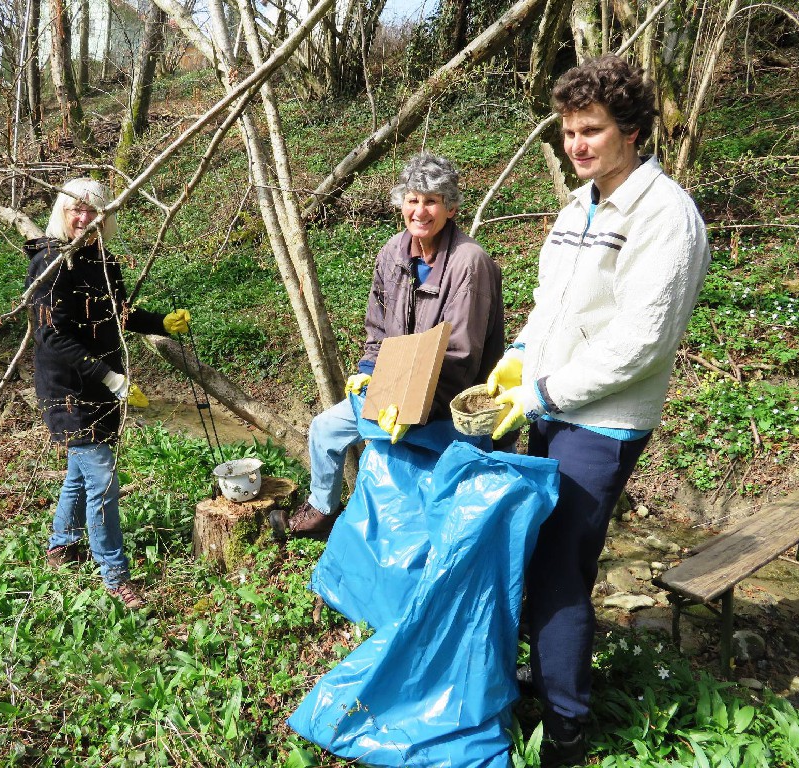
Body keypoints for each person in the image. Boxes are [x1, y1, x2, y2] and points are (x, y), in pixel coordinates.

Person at [485, 55, 711, 766]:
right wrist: (517, 354)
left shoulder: (663, 215)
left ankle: (569, 728)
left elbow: (642, 341)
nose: (577, 144)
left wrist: (541, 393)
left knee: (558, 569)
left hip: (603, 421)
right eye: (568, 131)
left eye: (593, 130)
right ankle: (552, 679)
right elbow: (554, 306)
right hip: (551, 402)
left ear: (633, 131)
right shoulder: (577, 207)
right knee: (540, 557)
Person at [283, 152, 504, 539]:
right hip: (391, 392)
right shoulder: (393, 252)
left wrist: (412, 408)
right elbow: (377, 330)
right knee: (324, 428)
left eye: (431, 201)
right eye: (413, 199)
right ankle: (322, 510)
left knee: (401, 473)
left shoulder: (470, 264)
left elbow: (462, 358)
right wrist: (368, 376)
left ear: (451, 208)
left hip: (448, 406)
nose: (420, 211)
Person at [25, 177, 192, 610]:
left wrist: (159, 323)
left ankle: (61, 544)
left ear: (104, 216)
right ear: (62, 210)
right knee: (102, 481)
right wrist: (112, 378)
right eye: (75, 209)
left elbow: (117, 314)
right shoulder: (48, 261)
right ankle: (116, 575)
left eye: (92, 211)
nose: (83, 218)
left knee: (82, 469)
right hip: (68, 388)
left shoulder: (103, 260)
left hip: (103, 381)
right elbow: (49, 336)